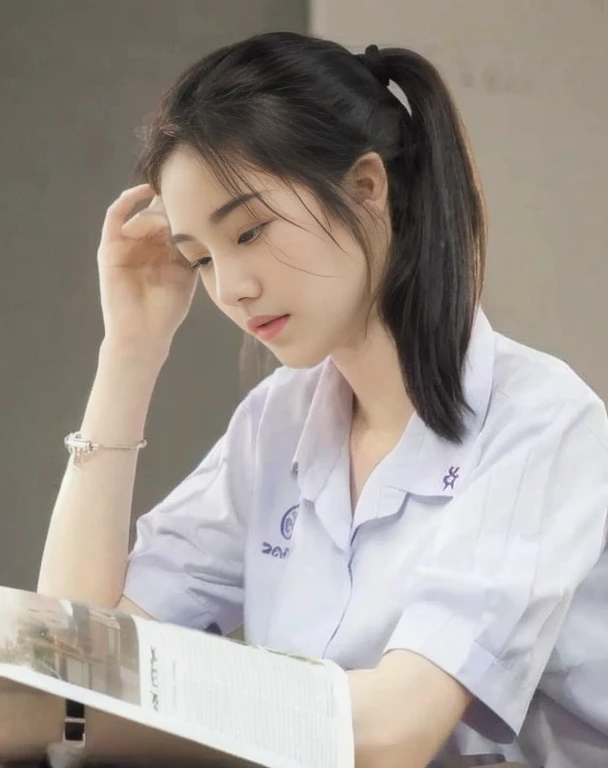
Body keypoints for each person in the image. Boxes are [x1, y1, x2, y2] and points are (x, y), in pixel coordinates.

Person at [1, 29, 606, 768]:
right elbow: (72, 656)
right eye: (200, 259)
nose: (230, 288)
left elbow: (394, 734)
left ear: (367, 188)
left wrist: (81, 719)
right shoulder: (276, 424)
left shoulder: (542, 421)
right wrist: (129, 349)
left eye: (249, 231)